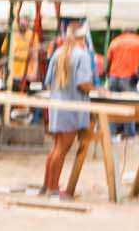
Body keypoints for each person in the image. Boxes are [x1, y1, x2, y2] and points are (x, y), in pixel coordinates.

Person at [40, 23, 99, 197]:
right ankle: (53, 189)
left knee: (56, 148)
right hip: (73, 106)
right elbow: (83, 84)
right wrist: (98, 89)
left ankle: (47, 185)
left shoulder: (58, 53)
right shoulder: (82, 56)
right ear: (83, 38)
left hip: (57, 106)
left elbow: (48, 80)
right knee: (62, 149)